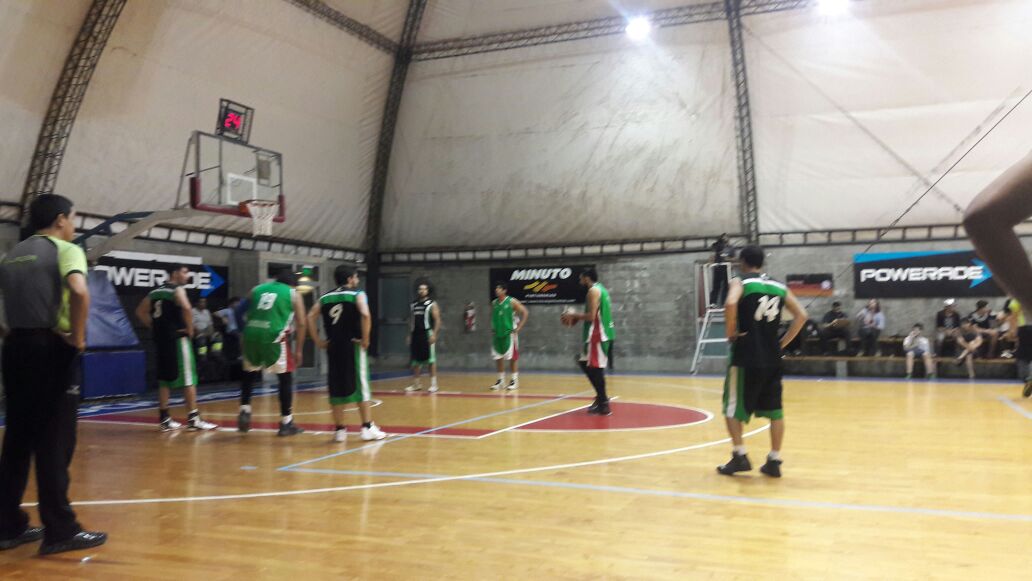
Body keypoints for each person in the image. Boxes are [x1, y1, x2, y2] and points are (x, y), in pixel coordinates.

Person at [0, 194, 107, 555]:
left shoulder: (12, 254)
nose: (73, 226)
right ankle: (60, 530)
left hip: (15, 349)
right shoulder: (66, 250)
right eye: (73, 218)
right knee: (54, 440)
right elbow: (78, 290)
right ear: (61, 219)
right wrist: (77, 338)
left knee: (17, 440)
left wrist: (7, 332)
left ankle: (6, 526)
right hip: (50, 349)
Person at [717, 245, 808, 479]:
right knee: (775, 411)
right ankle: (774, 460)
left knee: (731, 407)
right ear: (762, 262)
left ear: (742, 262)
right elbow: (802, 316)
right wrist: (781, 344)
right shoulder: (779, 286)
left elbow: (730, 303)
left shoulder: (740, 282)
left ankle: (740, 455)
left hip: (746, 355)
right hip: (772, 357)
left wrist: (731, 333)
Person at [307, 267, 387, 443]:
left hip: (333, 346)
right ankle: (367, 427)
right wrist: (366, 339)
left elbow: (310, 316)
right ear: (350, 279)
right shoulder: (358, 294)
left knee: (336, 386)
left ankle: (339, 431)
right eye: (356, 277)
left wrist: (318, 341)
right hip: (353, 345)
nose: (357, 280)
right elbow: (365, 314)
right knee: (361, 386)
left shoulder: (324, 297)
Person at [135, 264, 218, 432]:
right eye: (185, 272)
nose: (188, 275)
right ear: (175, 273)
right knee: (188, 378)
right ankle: (193, 418)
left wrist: (156, 328)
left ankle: (164, 418)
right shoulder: (177, 290)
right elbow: (186, 307)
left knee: (164, 379)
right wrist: (190, 329)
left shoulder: (155, 292)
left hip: (162, 340)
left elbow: (140, 312)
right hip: (177, 339)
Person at [237, 270, 307, 436]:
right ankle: (286, 422)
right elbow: (302, 324)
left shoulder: (256, 289)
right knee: (285, 378)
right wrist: (299, 350)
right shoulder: (293, 294)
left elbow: (238, 311)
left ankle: (245, 409)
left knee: (248, 374)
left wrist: (243, 331)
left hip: (251, 335)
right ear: (293, 284)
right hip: (273, 337)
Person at [560, 268, 615, 415]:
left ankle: (604, 404)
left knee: (596, 369)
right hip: (599, 334)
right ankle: (601, 398)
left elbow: (591, 316)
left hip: (598, 335)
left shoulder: (593, 291)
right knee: (584, 362)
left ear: (587, 278)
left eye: (581, 278)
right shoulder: (601, 289)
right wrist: (576, 317)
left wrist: (573, 315)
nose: (580, 281)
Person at [488, 282, 528, 391]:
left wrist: (519, 327)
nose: (496, 290)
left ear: (504, 290)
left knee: (513, 358)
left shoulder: (511, 301)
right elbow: (493, 316)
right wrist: (493, 326)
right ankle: (500, 381)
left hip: (509, 334)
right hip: (497, 334)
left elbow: (525, 312)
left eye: (499, 288)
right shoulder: (494, 303)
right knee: (498, 357)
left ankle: (514, 380)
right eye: (496, 289)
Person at [405, 283, 441, 393]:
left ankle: (434, 384)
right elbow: (411, 320)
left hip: (427, 333)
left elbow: (438, 320)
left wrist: (434, 334)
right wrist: (409, 335)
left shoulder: (432, 304)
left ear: (428, 291)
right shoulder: (414, 304)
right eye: (420, 289)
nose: (422, 291)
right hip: (415, 334)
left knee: (431, 360)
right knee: (415, 360)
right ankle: (416, 384)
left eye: (424, 289)